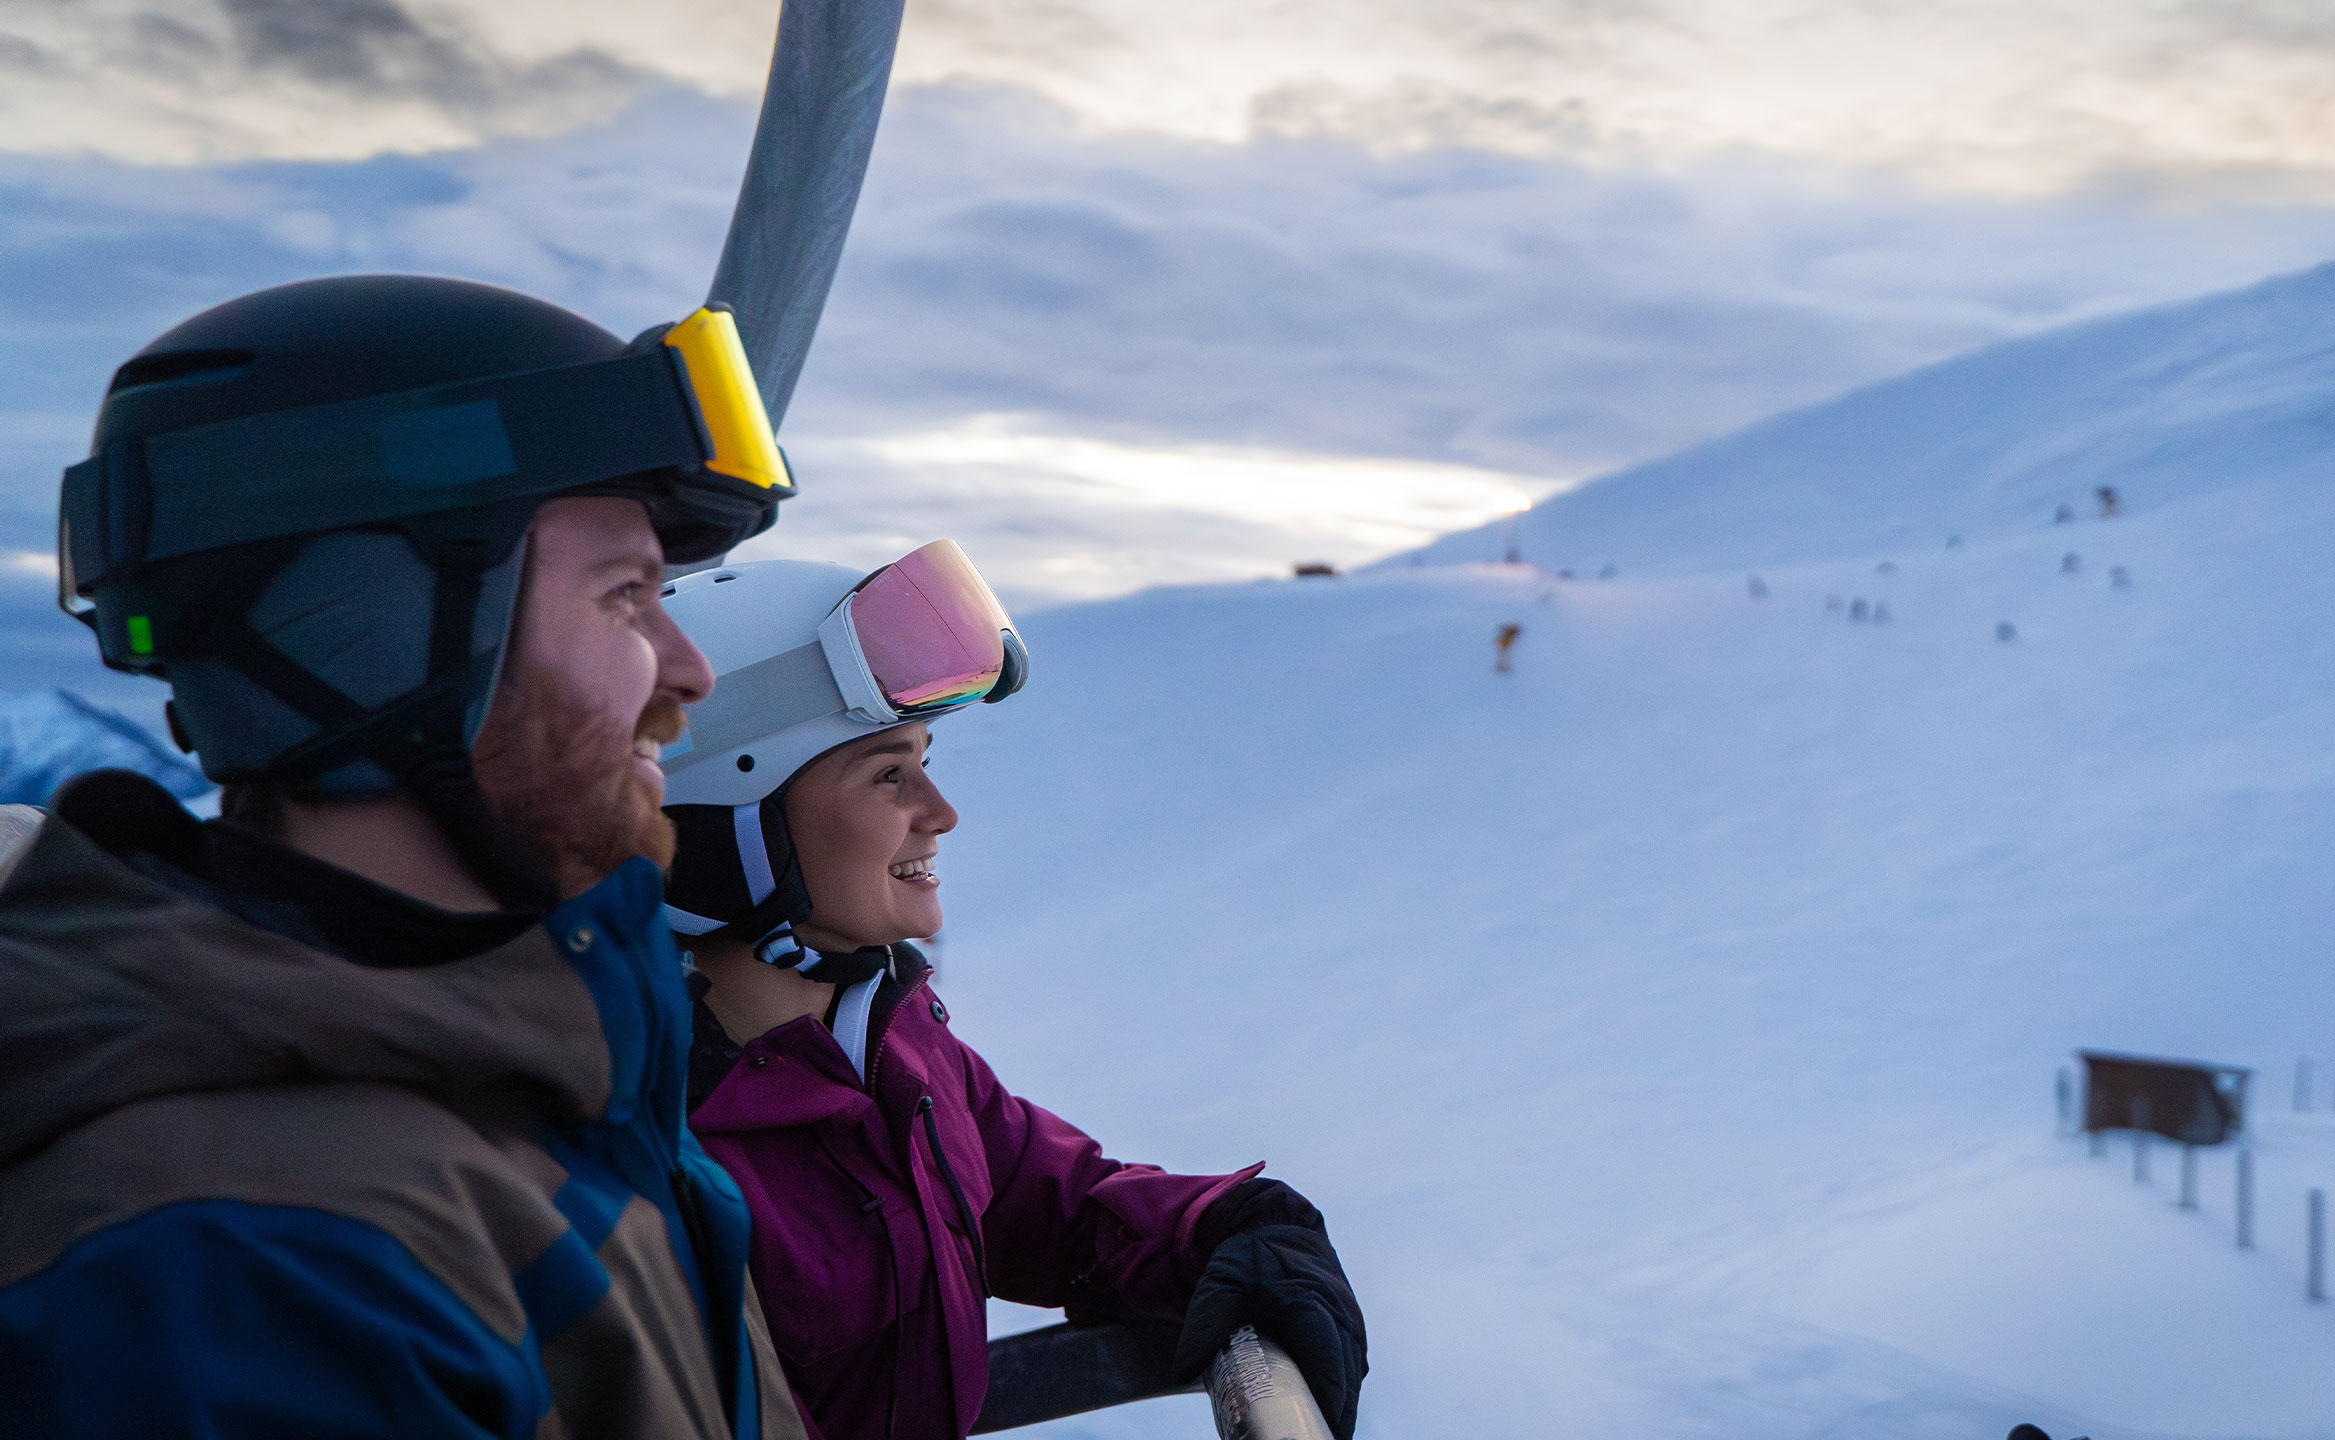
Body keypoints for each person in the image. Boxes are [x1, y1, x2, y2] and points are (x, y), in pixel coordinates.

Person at [0, 276, 807, 1438]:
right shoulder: (252, 1256)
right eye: (626, 596)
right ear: (379, 633)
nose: (689, 673)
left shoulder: (546, 1091)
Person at [656, 556, 1366, 1440]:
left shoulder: (886, 1043)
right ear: (729, 821)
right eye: (888, 775)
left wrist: (1228, 1229)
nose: (940, 810)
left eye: (924, 763)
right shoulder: (652, 1145)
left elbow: (1040, 1194)